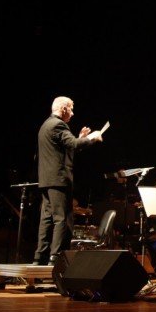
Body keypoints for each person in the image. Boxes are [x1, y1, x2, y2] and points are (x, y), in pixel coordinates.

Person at [33, 96, 103, 266]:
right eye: (71, 109)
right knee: (62, 219)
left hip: (46, 180)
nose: (72, 113)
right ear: (63, 108)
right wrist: (92, 138)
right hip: (58, 180)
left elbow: (66, 149)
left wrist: (80, 137)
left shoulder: (45, 125)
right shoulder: (58, 124)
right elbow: (73, 144)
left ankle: (39, 258)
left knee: (47, 220)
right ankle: (55, 259)